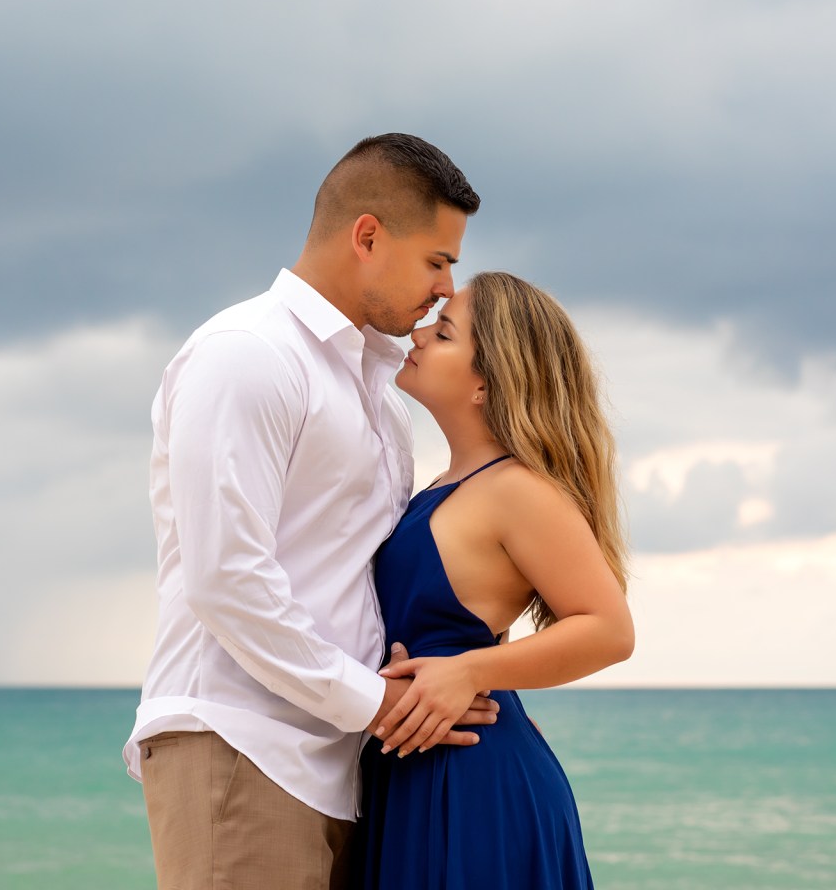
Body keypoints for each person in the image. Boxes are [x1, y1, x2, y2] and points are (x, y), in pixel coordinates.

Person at [123, 133, 498, 890]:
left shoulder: (380, 396)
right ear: (368, 236)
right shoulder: (247, 354)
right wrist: (377, 702)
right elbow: (226, 577)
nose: (446, 288)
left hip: (344, 763)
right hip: (243, 744)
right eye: (437, 260)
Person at [354, 270, 635, 889]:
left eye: (444, 333)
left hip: (469, 781)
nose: (418, 335)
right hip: (416, 766)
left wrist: (468, 672)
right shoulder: (441, 486)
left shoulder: (517, 490)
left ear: (486, 383)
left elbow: (610, 630)